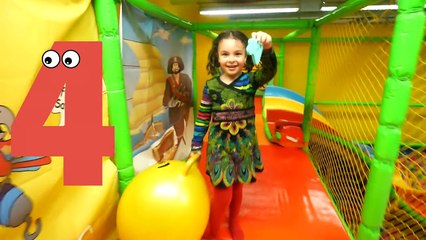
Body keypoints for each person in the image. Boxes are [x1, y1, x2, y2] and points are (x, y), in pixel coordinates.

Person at [190, 30, 277, 240]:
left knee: (237, 185)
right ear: (216, 57)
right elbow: (203, 116)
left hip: (244, 144)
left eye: (237, 54)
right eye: (225, 54)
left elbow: (269, 70)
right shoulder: (211, 86)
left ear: (245, 56)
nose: (231, 59)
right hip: (220, 146)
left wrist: (267, 49)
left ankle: (234, 221)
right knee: (222, 190)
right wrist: (195, 145)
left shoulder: (251, 80)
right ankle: (213, 230)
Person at [163, 56, 193, 147]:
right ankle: (180, 147)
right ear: (170, 67)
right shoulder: (169, 81)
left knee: (189, 128)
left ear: (180, 66)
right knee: (179, 132)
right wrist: (171, 102)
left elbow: (190, 92)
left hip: (186, 107)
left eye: (177, 65)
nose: (175, 67)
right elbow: (166, 96)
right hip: (176, 110)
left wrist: (185, 97)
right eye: (173, 65)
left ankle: (190, 146)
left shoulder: (186, 78)